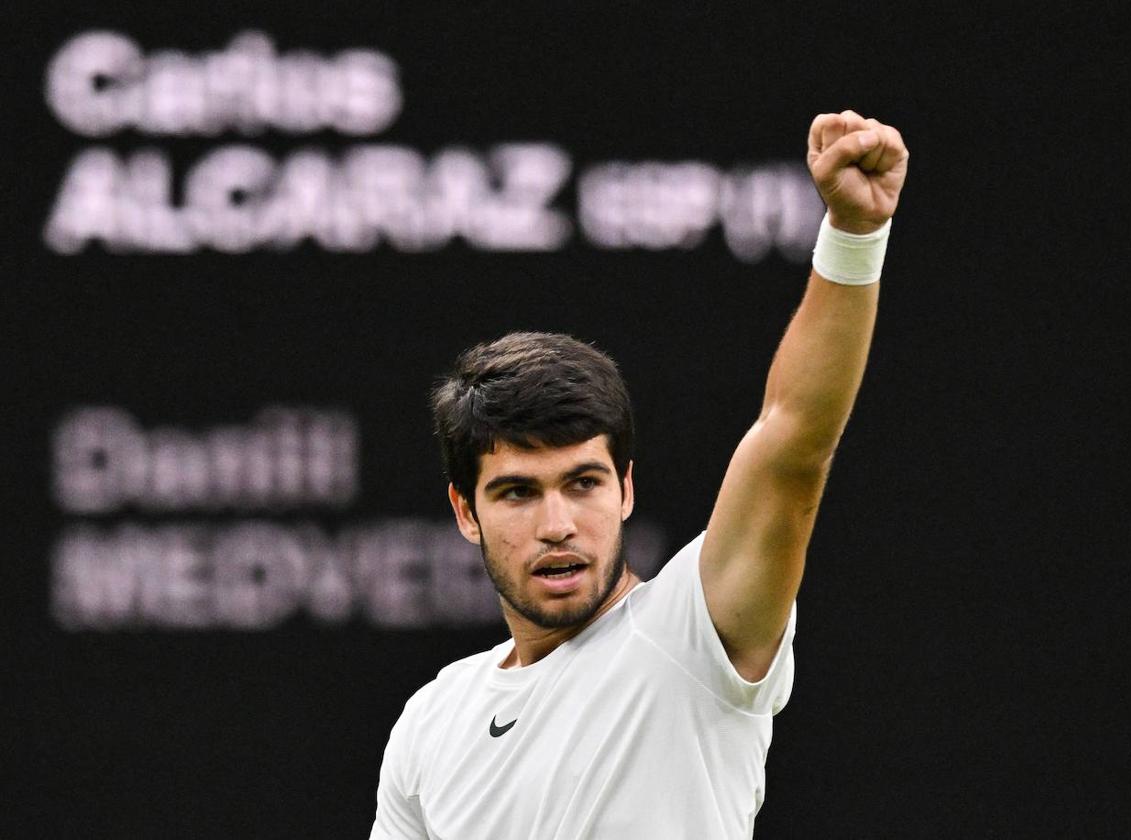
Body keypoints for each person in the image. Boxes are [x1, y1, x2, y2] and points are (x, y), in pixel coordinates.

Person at [369, 109, 909, 839]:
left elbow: (794, 443)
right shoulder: (432, 721)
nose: (557, 524)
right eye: (518, 492)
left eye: (583, 483)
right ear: (466, 512)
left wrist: (854, 235)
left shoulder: (692, 632)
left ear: (625, 487)